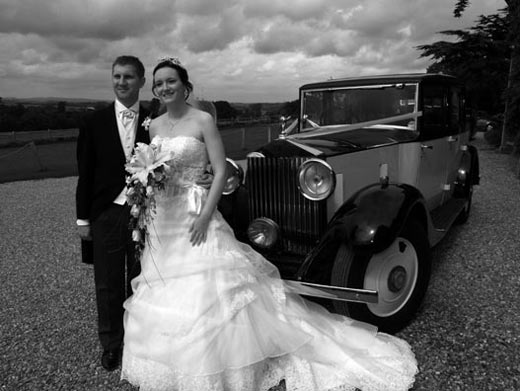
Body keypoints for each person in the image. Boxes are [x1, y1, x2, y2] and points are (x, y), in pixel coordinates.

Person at [121, 57, 418, 391]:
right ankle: (166, 363)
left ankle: (222, 365)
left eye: (170, 81)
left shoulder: (202, 119)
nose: (164, 88)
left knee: (209, 286)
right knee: (163, 282)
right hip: (164, 216)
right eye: (158, 83)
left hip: (195, 211)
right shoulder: (155, 125)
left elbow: (220, 170)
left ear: (184, 85)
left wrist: (206, 214)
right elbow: (147, 166)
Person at [75, 55, 150, 371]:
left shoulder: (154, 121)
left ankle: (139, 340)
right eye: (117, 76)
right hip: (105, 212)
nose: (122, 82)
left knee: (141, 280)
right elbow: (86, 172)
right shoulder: (94, 122)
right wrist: (83, 219)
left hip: (145, 213)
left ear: (141, 82)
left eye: (129, 77)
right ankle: (111, 343)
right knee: (107, 283)